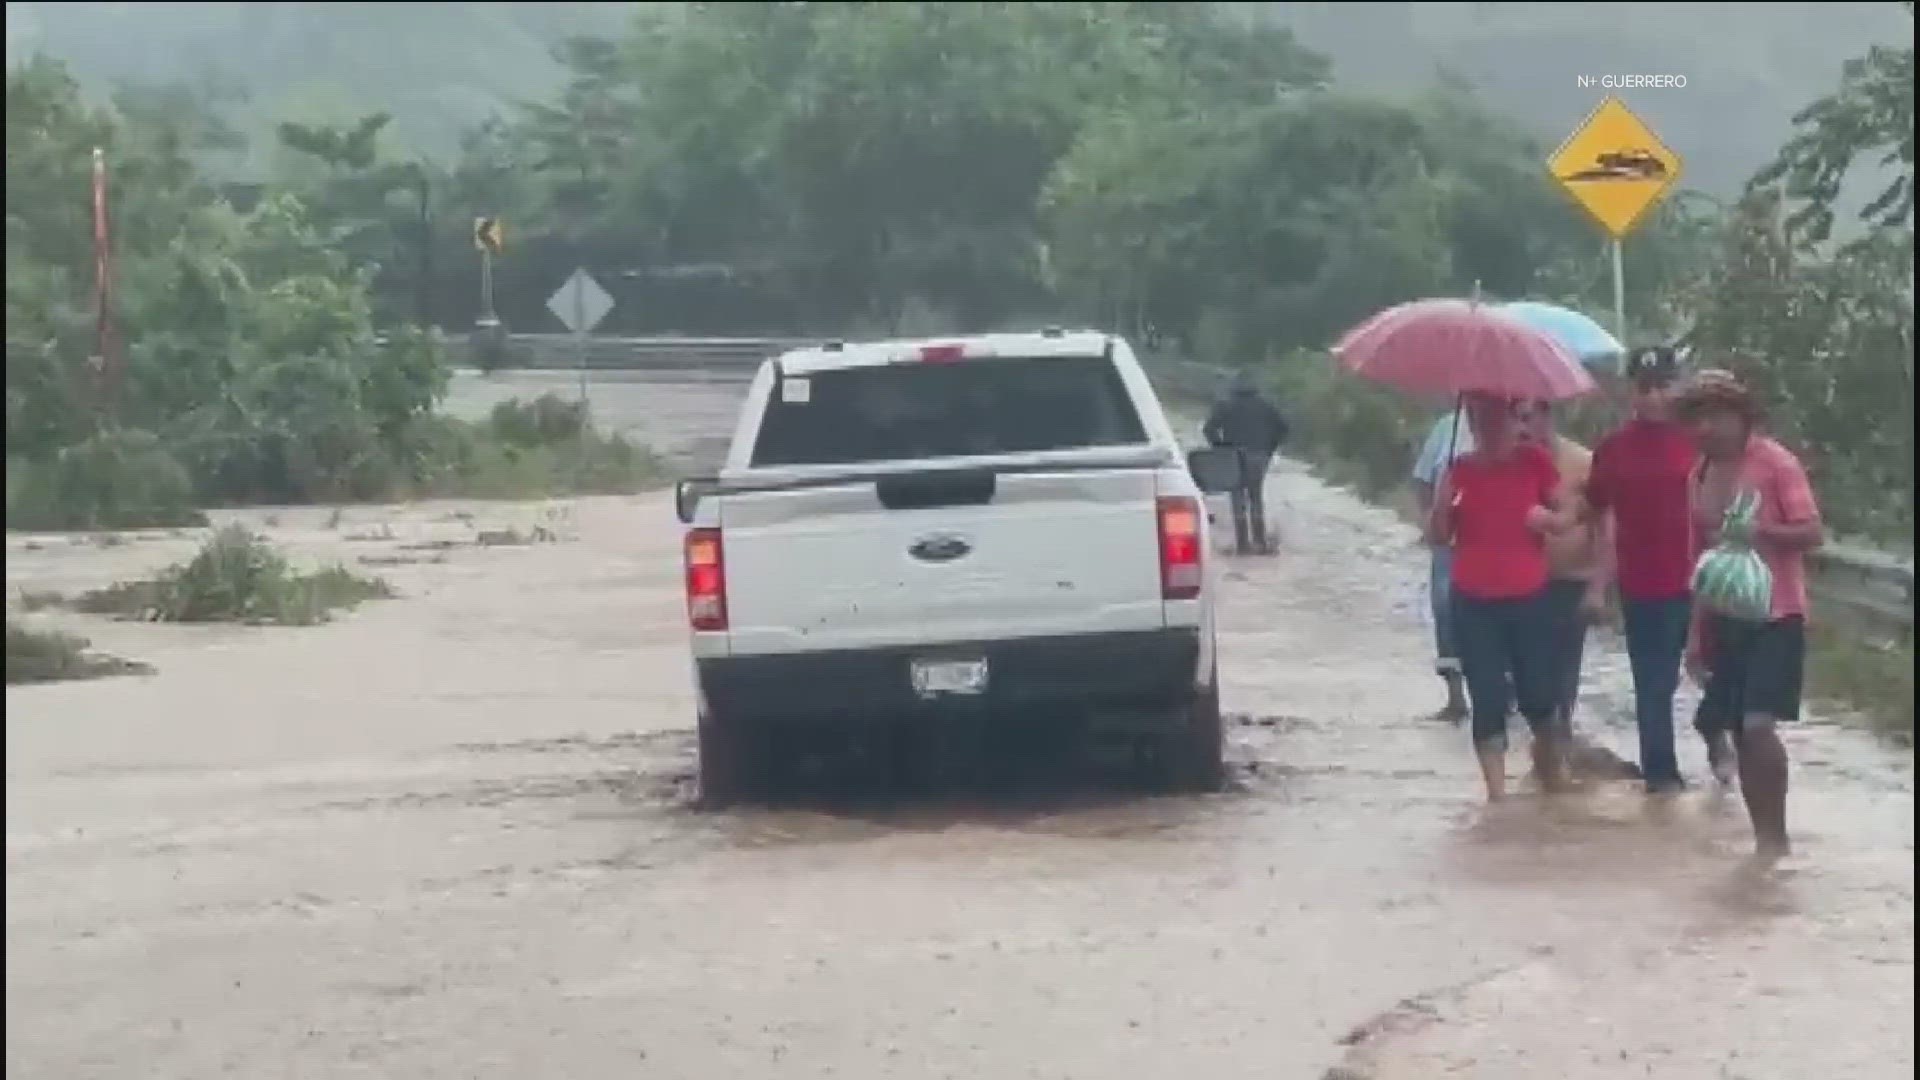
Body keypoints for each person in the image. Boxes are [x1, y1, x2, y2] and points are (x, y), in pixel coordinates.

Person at [1677, 371, 1821, 858]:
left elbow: (1810, 531)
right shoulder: (1697, 474)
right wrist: (1696, 634)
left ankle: (1777, 840)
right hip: (1725, 616)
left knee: (1759, 725)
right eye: (1697, 418)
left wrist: (1757, 532)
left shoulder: (1775, 463)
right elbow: (1700, 556)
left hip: (1776, 614)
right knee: (1737, 729)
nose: (1707, 428)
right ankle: (1764, 843)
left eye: (1716, 416)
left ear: (1742, 417)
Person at [1428, 393, 1578, 802]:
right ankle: (1497, 798)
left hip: (1528, 596)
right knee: (1487, 696)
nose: (1493, 430)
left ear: (1516, 423)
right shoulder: (1457, 471)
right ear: (1472, 425)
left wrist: (1546, 519)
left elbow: (1568, 516)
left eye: (1501, 420)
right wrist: (1441, 509)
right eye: (1482, 421)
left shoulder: (1535, 463)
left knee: (1539, 696)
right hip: (1474, 599)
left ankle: (1550, 771)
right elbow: (1438, 538)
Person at [1583, 345, 1697, 793]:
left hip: (1703, 580)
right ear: (1632, 391)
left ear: (1678, 387)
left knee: (1714, 674)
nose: (1653, 398)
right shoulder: (1613, 450)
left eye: (1663, 388)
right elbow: (1598, 513)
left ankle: (1719, 743)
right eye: (1645, 388)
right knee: (1654, 682)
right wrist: (1597, 584)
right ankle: (1660, 776)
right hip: (1643, 583)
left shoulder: (1699, 441)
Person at [1515, 400, 1605, 739]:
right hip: (1520, 583)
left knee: (1565, 670)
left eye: (1527, 418)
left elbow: (1604, 525)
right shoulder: (1507, 463)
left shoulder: (1583, 463)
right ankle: (1544, 745)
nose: (1522, 428)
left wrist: (1598, 587)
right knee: (1529, 672)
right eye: (1515, 420)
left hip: (1570, 579)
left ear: (1547, 415)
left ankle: (1560, 742)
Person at [1411, 406, 1476, 720]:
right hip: (1448, 541)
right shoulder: (1447, 428)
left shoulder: (1513, 427)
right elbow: (1424, 478)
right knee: (1445, 610)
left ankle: (1499, 697)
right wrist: (1429, 518)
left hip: (1492, 542)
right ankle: (1455, 697)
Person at [1203, 373, 1289, 555]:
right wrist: (1269, 448)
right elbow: (1283, 429)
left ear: (1234, 387)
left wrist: (1221, 448)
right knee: (1256, 497)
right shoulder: (1266, 405)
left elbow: (1208, 429)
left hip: (1234, 456)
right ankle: (1260, 542)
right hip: (1259, 455)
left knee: (1237, 498)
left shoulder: (1226, 405)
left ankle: (1243, 545)